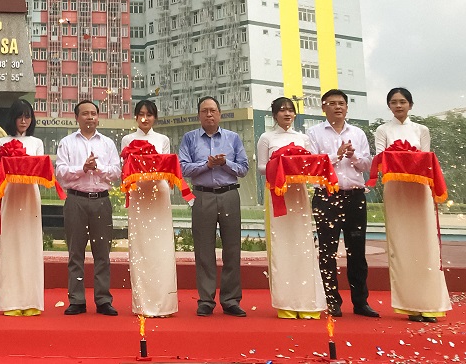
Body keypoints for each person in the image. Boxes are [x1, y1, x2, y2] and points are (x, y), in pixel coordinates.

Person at [373, 87, 451, 322]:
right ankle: (409, 305)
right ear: (388, 106)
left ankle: (430, 303)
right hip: (395, 189)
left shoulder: (421, 129)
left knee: (425, 244)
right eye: (394, 102)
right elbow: (380, 159)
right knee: (401, 246)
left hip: (419, 190)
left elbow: (425, 159)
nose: (398, 106)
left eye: (403, 101)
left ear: (411, 105)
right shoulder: (382, 129)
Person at [306, 89, 378, 318]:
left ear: (347, 108)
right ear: (323, 107)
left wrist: (354, 157)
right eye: (332, 103)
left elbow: (367, 166)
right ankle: (332, 300)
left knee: (357, 250)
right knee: (327, 251)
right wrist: (336, 156)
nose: (338, 107)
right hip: (327, 197)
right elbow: (313, 166)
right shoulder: (313, 133)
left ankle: (360, 302)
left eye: (342, 103)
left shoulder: (357, 133)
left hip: (355, 196)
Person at [177, 95, 249, 318]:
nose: (209, 114)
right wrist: (206, 164)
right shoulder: (189, 138)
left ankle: (230, 300)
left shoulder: (233, 138)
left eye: (213, 110)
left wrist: (224, 163)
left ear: (220, 113)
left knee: (232, 249)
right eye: (204, 111)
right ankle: (206, 299)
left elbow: (244, 168)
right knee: (204, 250)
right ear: (199, 115)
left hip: (229, 194)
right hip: (202, 196)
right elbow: (182, 168)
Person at [255, 97, 326, 319]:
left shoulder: (303, 138)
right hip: (277, 193)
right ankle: (286, 302)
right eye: (282, 110)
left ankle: (307, 301)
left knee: (303, 244)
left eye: (290, 110)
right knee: (282, 245)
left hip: (298, 195)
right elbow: (260, 168)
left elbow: (312, 163)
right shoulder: (266, 138)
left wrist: (296, 166)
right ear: (274, 115)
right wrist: (281, 163)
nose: (287, 114)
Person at [55, 99, 121, 316]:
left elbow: (116, 173)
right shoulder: (67, 142)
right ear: (77, 117)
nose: (90, 117)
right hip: (76, 201)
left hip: (101, 200)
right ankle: (77, 300)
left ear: (98, 117)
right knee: (76, 252)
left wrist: (98, 167)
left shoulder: (108, 144)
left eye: (93, 113)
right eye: (85, 114)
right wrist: (82, 168)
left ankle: (103, 299)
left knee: (102, 253)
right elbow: (61, 173)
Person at [120, 99, 177, 317]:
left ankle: (164, 303)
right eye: (141, 114)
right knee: (141, 247)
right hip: (138, 194)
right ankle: (143, 304)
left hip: (159, 193)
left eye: (149, 115)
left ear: (155, 117)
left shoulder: (163, 139)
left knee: (161, 248)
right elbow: (124, 168)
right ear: (135, 116)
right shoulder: (127, 139)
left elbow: (166, 165)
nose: (145, 118)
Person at [0, 98, 46, 316]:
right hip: (10, 195)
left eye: (27, 116)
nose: (24, 121)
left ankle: (31, 300)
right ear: (12, 118)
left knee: (30, 245)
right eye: (20, 116)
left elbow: (42, 168)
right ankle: (11, 301)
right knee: (10, 245)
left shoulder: (36, 143)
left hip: (30, 196)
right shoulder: (1, 142)